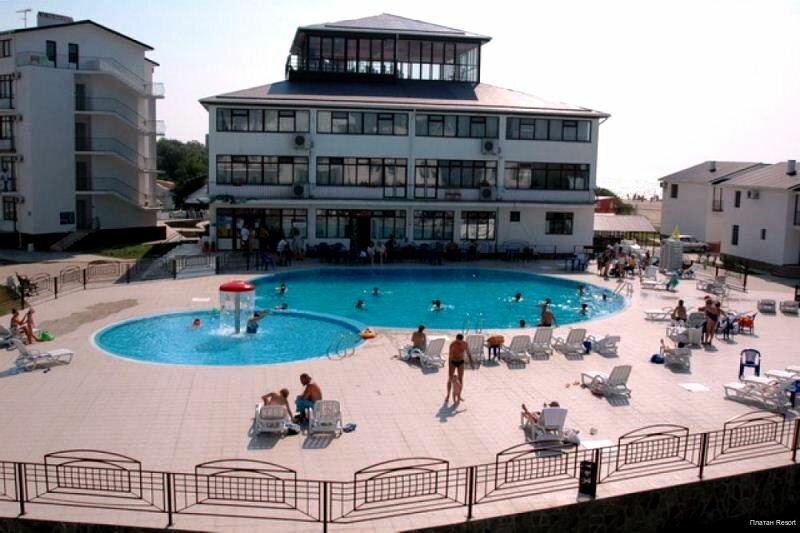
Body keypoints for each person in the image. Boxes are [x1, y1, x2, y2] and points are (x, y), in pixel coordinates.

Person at [446, 334, 473, 403]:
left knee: (460, 379)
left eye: (459, 342)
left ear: (462, 340)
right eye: (457, 341)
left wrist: (471, 362)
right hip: (453, 361)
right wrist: (450, 366)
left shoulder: (465, 344)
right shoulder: (452, 344)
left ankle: (459, 395)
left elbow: (468, 353)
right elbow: (450, 356)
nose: (458, 343)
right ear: (456, 339)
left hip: (461, 361)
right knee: (450, 378)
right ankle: (448, 395)